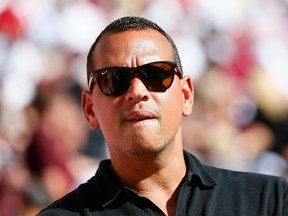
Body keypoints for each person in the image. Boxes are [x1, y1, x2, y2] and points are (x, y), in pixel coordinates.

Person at [37, 16, 288, 216]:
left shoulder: (270, 200)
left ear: (186, 96)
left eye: (157, 75)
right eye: (114, 80)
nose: (137, 92)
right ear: (90, 109)